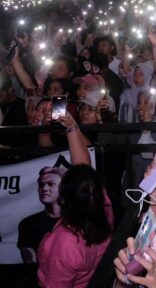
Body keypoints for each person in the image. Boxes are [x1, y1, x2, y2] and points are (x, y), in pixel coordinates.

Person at [37, 112, 113, 288]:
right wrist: (72, 127)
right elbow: (84, 171)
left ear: (63, 200)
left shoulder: (66, 243)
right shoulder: (103, 207)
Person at [17, 166, 67, 263]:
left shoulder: (76, 220)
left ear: (63, 188)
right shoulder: (28, 224)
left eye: (50, 184)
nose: (44, 188)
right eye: (41, 185)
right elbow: (30, 263)